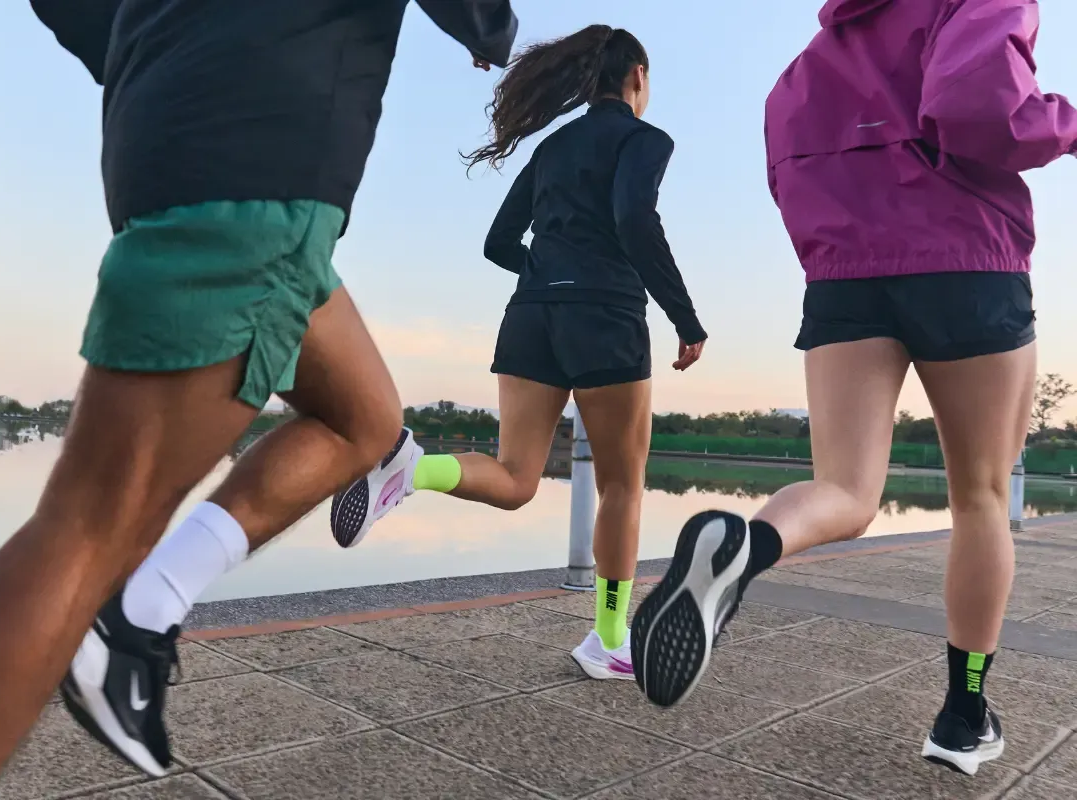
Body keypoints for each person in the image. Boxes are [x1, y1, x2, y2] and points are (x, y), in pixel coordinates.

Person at [0, 1, 517, 796]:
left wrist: (149, 47)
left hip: (184, 137)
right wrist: (489, 26)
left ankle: (144, 611)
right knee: (89, 528)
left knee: (366, 422)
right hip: (264, 159)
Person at [631, 0, 1077, 778]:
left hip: (845, 276)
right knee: (978, 497)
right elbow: (981, 108)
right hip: (965, 259)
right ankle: (963, 717)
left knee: (845, 487)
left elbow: (784, 166)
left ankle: (745, 546)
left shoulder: (816, 55)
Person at [329, 25, 708, 682]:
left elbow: (499, 241)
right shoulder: (646, 140)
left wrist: (549, 270)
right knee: (622, 487)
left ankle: (411, 468)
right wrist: (685, 317)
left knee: (514, 478)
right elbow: (633, 219)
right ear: (637, 78)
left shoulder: (554, 146)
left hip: (531, 314)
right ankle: (607, 640)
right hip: (605, 317)